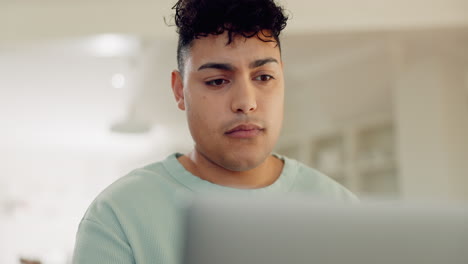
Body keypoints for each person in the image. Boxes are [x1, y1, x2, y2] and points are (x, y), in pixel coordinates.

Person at [72, 0, 358, 263]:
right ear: (179, 91)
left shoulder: (342, 212)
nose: (246, 103)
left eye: (264, 77)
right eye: (218, 81)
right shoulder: (119, 217)